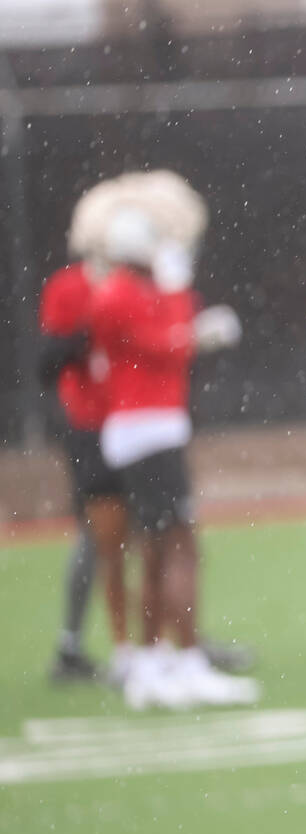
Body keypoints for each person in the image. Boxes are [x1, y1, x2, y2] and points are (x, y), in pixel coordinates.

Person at [89, 173, 261, 709]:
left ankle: (158, 660)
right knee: (177, 548)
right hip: (148, 430)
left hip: (144, 429)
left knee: (162, 550)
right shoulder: (120, 292)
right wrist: (190, 318)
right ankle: (178, 661)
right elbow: (164, 343)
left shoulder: (126, 288)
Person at [39, 177, 130, 682]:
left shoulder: (145, 282)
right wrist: (96, 326)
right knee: (99, 535)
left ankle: (167, 642)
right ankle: (73, 646)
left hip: (141, 423)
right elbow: (49, 362)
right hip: (91, 425)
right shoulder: (70, 287)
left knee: (161, 534)